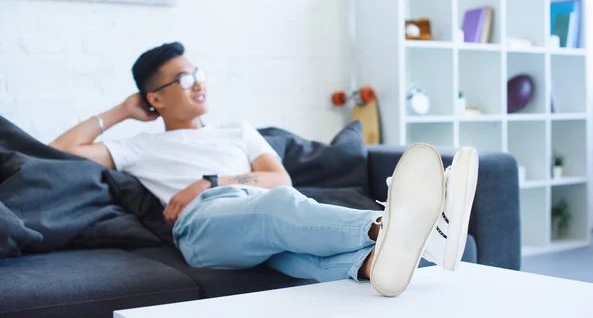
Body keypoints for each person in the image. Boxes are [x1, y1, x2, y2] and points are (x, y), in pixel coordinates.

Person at [50, 42, 479, 297]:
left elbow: (279, 178)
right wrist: (122, 110)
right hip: (201, 225)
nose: (198, 83)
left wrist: (212, 179)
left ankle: (376, 262)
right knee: (279, 209)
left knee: (294, 253)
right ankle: (400, 224)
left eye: (197, 73)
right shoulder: (140, 146)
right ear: (155, 98)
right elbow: (58, 150)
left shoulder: (238, 131)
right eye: (182, 79)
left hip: (254, 209)